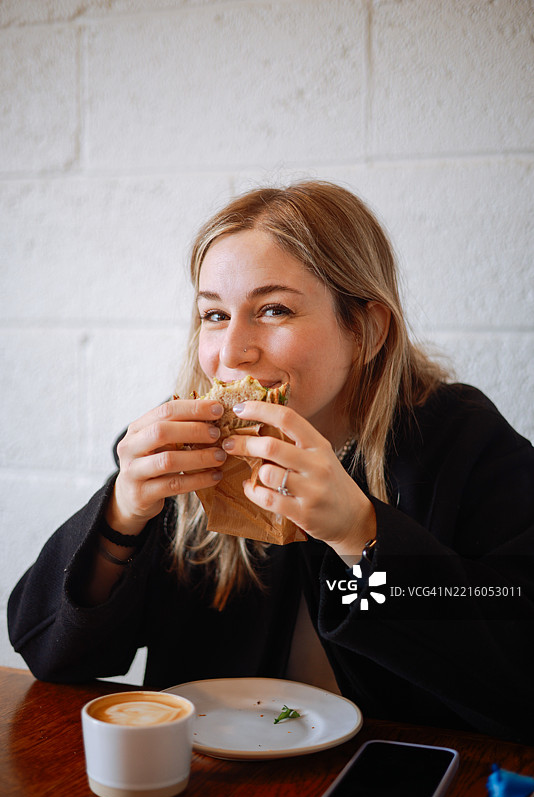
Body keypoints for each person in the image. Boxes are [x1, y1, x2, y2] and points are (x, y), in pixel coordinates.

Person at [8, 181, 534, 744]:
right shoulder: (180, 451)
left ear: (367, 329)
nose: (233, 352)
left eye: (274, 309)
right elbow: (48, 656)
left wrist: (364, 537)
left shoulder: (461, 442)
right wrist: (120, 514)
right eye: (214, 315)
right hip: (211, 775)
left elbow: (517, 679)